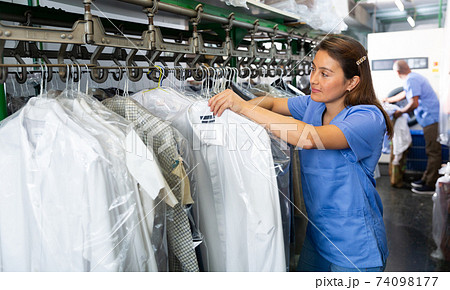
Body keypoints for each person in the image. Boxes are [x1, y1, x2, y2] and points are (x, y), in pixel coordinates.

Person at [208, 35, 392, 272]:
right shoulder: (314, 104)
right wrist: (238, 111)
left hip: (354, 247)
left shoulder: (367, 118)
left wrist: (242, 106)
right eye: (314, 69)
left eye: (325, 74)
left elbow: (309, 138)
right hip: (318, 237)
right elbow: (274, 103)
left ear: (352, 82)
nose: (313, 79)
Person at [384, 60, 441, 194]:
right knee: (431, 150)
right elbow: (405, 94)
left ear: (397, 72)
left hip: (431, 119)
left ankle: (431, 184)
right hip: (430, 118)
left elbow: (414, 103)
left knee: (433, 151)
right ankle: (426, 178)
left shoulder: (411, 80)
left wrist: (399, 112)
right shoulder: (414, 77)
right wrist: (388, 100)